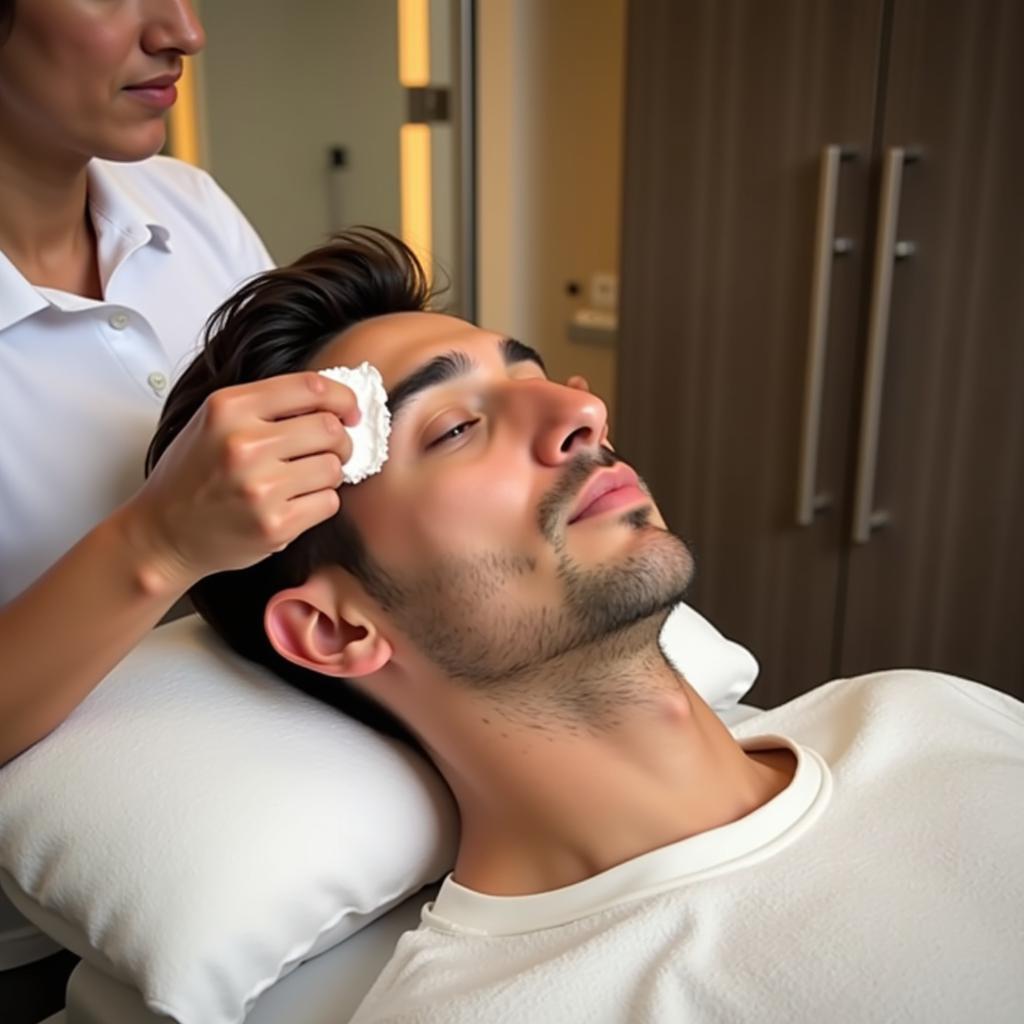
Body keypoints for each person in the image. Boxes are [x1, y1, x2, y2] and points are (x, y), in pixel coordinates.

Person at [147, 228, 1024, 1023]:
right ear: (338, 631)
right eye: (454, 428)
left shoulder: (932, 716)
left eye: (533, 380)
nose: (583, 413)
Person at [0, 0, 361, 978]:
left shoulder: (186, 206)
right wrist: (156, 543)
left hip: (298, 821)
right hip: (46, 929)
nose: (184, 32)